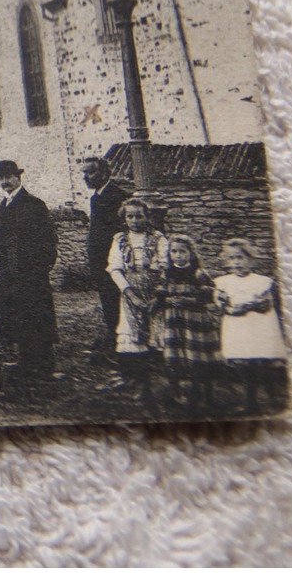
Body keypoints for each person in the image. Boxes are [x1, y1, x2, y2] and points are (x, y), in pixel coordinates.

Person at [0, 160, 59, 381]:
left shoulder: (33, 204)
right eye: (1, 178)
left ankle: (44, 364)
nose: (5, 182)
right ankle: (26, 360)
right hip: (10, 274)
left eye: (8, 177)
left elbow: (48, 239)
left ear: (19, 177)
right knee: (17, 316)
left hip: (31, 273)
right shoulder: (4, 205)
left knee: (36, 316)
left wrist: (40, 267)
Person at [214, 238, 288, 413]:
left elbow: (266, 304)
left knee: (261, 362)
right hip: (238, 327)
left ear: (251, 260)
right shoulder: (223, 282)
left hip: (258, 326)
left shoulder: (262, 281)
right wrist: (229, 308)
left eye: (241, 258)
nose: (237, 263)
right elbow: (220, 303)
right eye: (232, 259)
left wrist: (248, 306)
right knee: (244, 363)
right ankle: (249, 400)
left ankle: (273, 397)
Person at [107, 197, 167, 403]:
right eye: (130, 216)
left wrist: (158, 295)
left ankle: (160, 385)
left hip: (154, 292)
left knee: (156, 336)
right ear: (124, 219)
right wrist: (130, 293)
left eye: (139, 216)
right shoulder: (119, 239)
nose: (135, 220)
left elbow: (165, 267)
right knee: (133, 338)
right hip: (130, 294)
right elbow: (114, 269)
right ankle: (140, 384)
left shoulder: (158, 238)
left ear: (148, 217)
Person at [157, 234, 220, 413]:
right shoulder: (166, 273)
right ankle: (175, 393)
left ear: (191, 253)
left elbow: (208, 297)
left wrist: (188, 301)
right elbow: (161, 294)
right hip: (174, 321)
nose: (178, 255)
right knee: (175, 356)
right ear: (169, 254)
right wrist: (169, 300)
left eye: (182, 251)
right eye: (174, 251)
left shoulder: (199, 273)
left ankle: (204, 394)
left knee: (198, 356)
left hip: (195, 321)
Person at [81, 156, 130, 364]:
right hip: (100, 261)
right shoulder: (96, 198)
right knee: (107, 300)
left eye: (90, 172)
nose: (86, 177)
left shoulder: (118, 196)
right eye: (84, 173)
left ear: (104, 173)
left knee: (117, 300)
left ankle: (121, 343)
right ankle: (112, 335)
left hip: (114, 261)